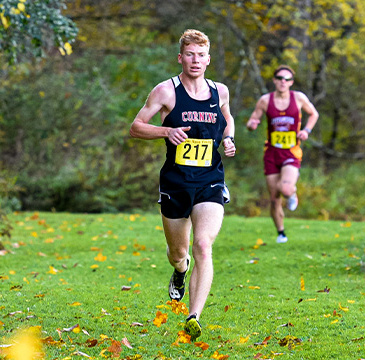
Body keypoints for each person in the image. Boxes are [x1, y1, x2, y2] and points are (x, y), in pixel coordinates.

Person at [129, 29, 236, 340]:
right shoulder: (166, 91)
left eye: (201, 55)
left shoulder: (220, 91)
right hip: (176, 182)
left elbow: (227, 118)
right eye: (190, 54)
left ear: (208, 59)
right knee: (179, 252)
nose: (195, 60)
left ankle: (194, 315)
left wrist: (228, 139)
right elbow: (136, 127)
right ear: (181, 57)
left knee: (203, 245)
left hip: (209, 180)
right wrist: (165, 132)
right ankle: (179, 271)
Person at [245, 65, 318, 244]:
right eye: (279, 78)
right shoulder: (265, 100)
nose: (283, 82)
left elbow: (313, 114)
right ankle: (281, 233)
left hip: (291, 152)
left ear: (291, 82)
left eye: (287, 79)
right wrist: (252, 124)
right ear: (275, 80)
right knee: (274, 198)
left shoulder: (298, 98)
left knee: (284, 189)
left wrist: (306, 130)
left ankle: (292, 194)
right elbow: (253, 118)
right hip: (271, 153)